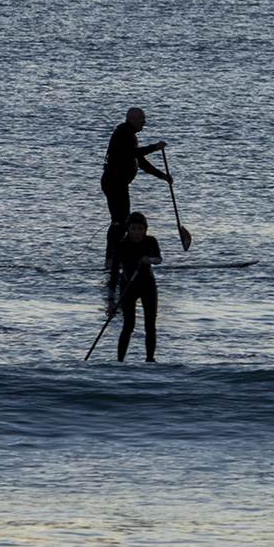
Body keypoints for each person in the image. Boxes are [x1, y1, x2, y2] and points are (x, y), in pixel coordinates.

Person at [102, 107, 170, 306]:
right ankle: (111, 260)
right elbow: (135, 153)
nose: (144, 123)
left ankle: (113, 258)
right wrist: (155, 147)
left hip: (119, 183)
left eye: (144, 119)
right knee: (119, 222)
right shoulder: (123, 133)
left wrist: (162, 176)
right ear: (131, 119)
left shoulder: (131, 135)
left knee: (121, 221)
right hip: (113, 183)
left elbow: (139, 161)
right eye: (141, 119)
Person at [111, 212, 163, 363]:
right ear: (128, 229)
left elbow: (159, 259)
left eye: (140, 229)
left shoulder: (151, 241)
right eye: (133, 229)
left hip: (148, 286)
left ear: (145, 229)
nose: (137, 232)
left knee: (150, 325)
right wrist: (111, 300)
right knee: (128, 325)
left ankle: (149, 359)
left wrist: (150, 260)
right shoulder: (122, 245)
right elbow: (114, 274)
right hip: (128, 286)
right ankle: (120, 361)